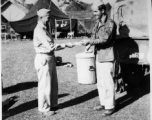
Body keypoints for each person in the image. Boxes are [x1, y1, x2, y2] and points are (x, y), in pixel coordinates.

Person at [33, 8, 74, 115]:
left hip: (49, 58)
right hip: (44, 59)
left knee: (53, 83)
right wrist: (68, 44)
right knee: (45, 85)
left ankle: (53, 104)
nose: (49, 20)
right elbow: (51, 46)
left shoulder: (44, 28)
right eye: (48, 17)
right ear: (41, 17)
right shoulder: (39, 30)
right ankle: (44, 108)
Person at [81, 0, 117, 116]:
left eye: (96, 11)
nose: (94, 14)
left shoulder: (109, 23)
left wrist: (90, 42)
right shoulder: (98, 22)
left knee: (108, 82)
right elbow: (94, 36)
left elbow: (104, 39)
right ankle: (103, 103)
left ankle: (110, 106)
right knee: (100, 82)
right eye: (93, 12)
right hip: (99, 56)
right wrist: (89, 45)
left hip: (107, 57)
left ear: (102, 10)